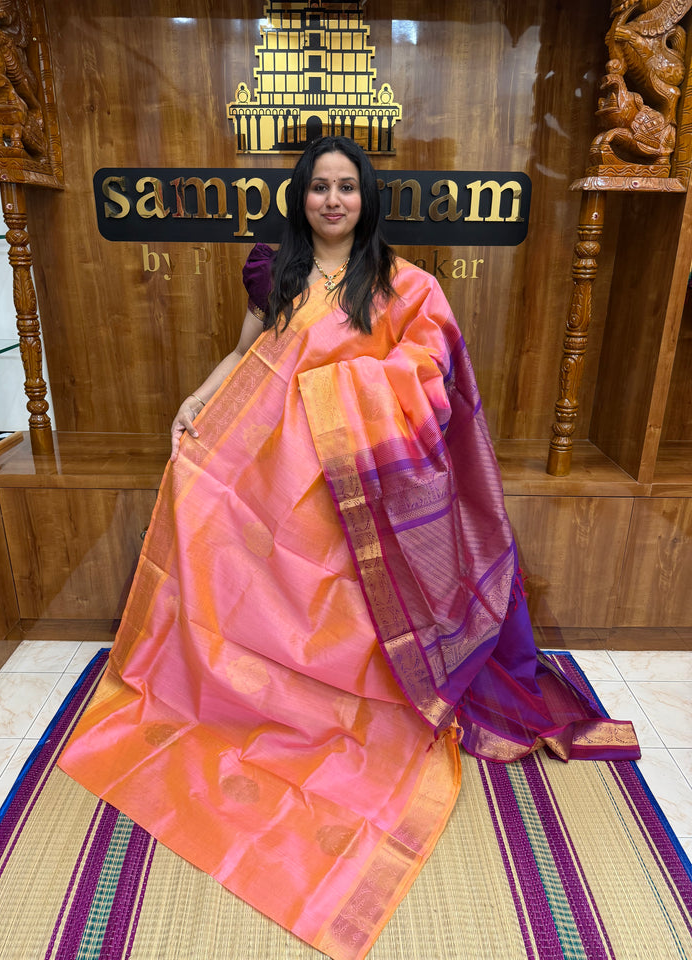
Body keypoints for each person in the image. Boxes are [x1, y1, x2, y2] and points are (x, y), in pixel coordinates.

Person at [58, 136, 639, 960]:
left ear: (366, 199)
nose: (333, 200)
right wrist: (198, 398)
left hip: (353, 490)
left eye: (347, 188)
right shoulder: (272, 270)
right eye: (319, 187)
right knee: (204, 506)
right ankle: (248, 689)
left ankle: (351, 700)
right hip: (275, 472)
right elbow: (247, 352)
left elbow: (430, 372)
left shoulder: (405, 284)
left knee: (345, 604)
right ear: (300, 197)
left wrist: (338, 396)